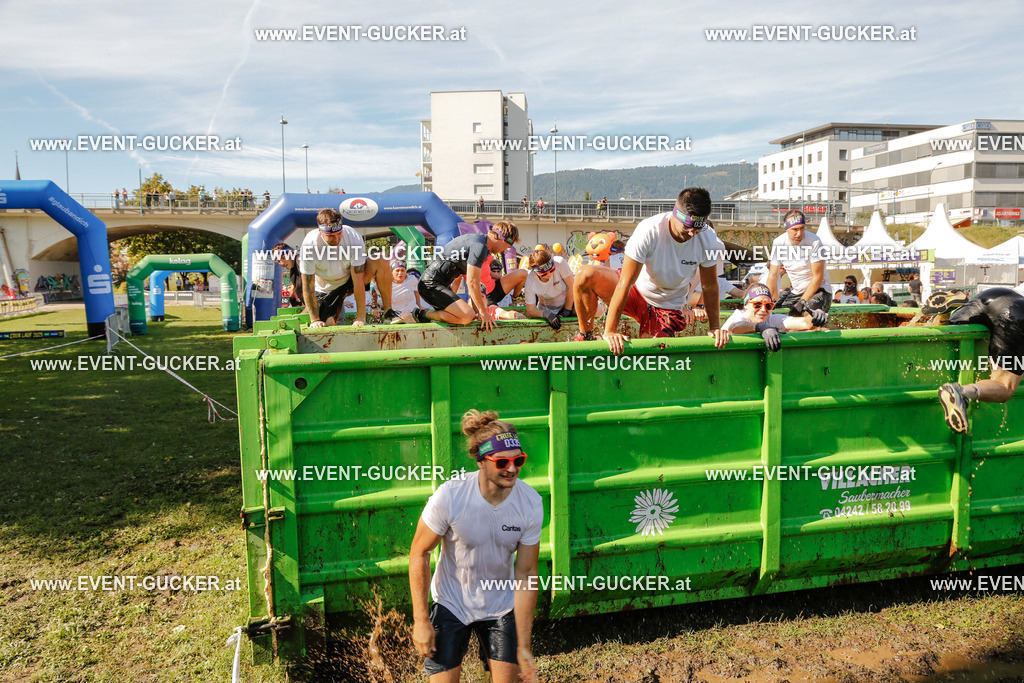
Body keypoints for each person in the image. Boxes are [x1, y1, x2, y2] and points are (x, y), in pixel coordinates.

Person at [409, 409, 541, 683]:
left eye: (518, 460)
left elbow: (527, 573)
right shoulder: (451, 496)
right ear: (481, 461)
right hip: (452, 603)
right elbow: (420, 552)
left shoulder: (530, 503)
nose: (512, 469)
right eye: (502, 461)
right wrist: (421, 619)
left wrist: (524, 644)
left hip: (501, 605)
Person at [573, 187, 731, 354]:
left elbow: (710, 286)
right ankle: (586, 336)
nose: (692, 234)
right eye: (687, 227)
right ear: (676, 214)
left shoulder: (708, 238)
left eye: (698, 229)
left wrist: (715, 328)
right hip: (635, 291)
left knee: (653, 356)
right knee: (585, 275)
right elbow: (625, 283)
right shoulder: (649, 230)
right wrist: (610, 331)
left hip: (667, 306)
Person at [937, 288, 1024, 433]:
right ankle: (962, 393)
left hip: (993, 295)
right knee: (1005, 386)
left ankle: (943, 314)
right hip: (1017, 314)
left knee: (949, 328)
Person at [412, 222, 526, 330]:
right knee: (466, 316)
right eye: (508, 246)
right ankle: (422, 314)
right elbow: (472, 283)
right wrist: (483, 312)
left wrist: (479, 311)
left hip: (437, 284)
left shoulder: (479, 242)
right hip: (430, 285)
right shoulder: (479, 246)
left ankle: (425, 316)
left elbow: (464, 280)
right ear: (502, 239)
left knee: (466, 316)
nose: (505, 251)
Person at [299, 208, 396, 327]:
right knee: (328, 324)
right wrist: (315, 320)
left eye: (339, 234)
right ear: (320, 232)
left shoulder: (352, 237)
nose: (336, 239)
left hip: (349, 282)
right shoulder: (309, 245)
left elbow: (358, 281)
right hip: (326, 290)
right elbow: (308, 287)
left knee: (381, 259)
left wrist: (361, 317)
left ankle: (388, 313)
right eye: (330, 236)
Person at [723, 284, 827, 350]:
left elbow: (804, 323)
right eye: (757, 304)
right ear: (746, 306)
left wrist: (816, 316)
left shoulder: (771, 319)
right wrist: (760, 327)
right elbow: (735, 327)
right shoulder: (739, 315)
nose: (763, 309)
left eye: (768, 306)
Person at [767, 210, 833, 315]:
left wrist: (802, 302)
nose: (799, 233)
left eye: (802, 228)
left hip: (820, 290)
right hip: (797, 292)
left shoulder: (814, 241)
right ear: (786, 229)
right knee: (778, 315)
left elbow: (818, 277)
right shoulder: (779, 242)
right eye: (795, 229)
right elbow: (773, 275)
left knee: (808, 315)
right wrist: (767, 300)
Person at [524, 250, 575, 329]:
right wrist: (546, 314)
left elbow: (572, 286)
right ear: (536, 272)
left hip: (568, 303)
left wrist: (567, 310)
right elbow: (530, 312)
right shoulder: (530, 281)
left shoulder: (559, 262)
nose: (549, 274)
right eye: (544, 274)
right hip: (547, 309)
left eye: (552, 270)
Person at [272, 242, 304, 309]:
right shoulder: (293, 271)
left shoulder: (301, 263)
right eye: (278, 261)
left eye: (283, 258)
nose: (282, 263)